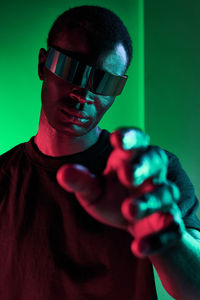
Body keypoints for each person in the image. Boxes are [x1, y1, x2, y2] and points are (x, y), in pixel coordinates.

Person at [1, 5, 200, 300]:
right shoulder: (4, 179)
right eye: (71, 68)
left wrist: (169, 241)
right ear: (43, 64)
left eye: (104, 81)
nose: (84, 94)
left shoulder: (149, 177)